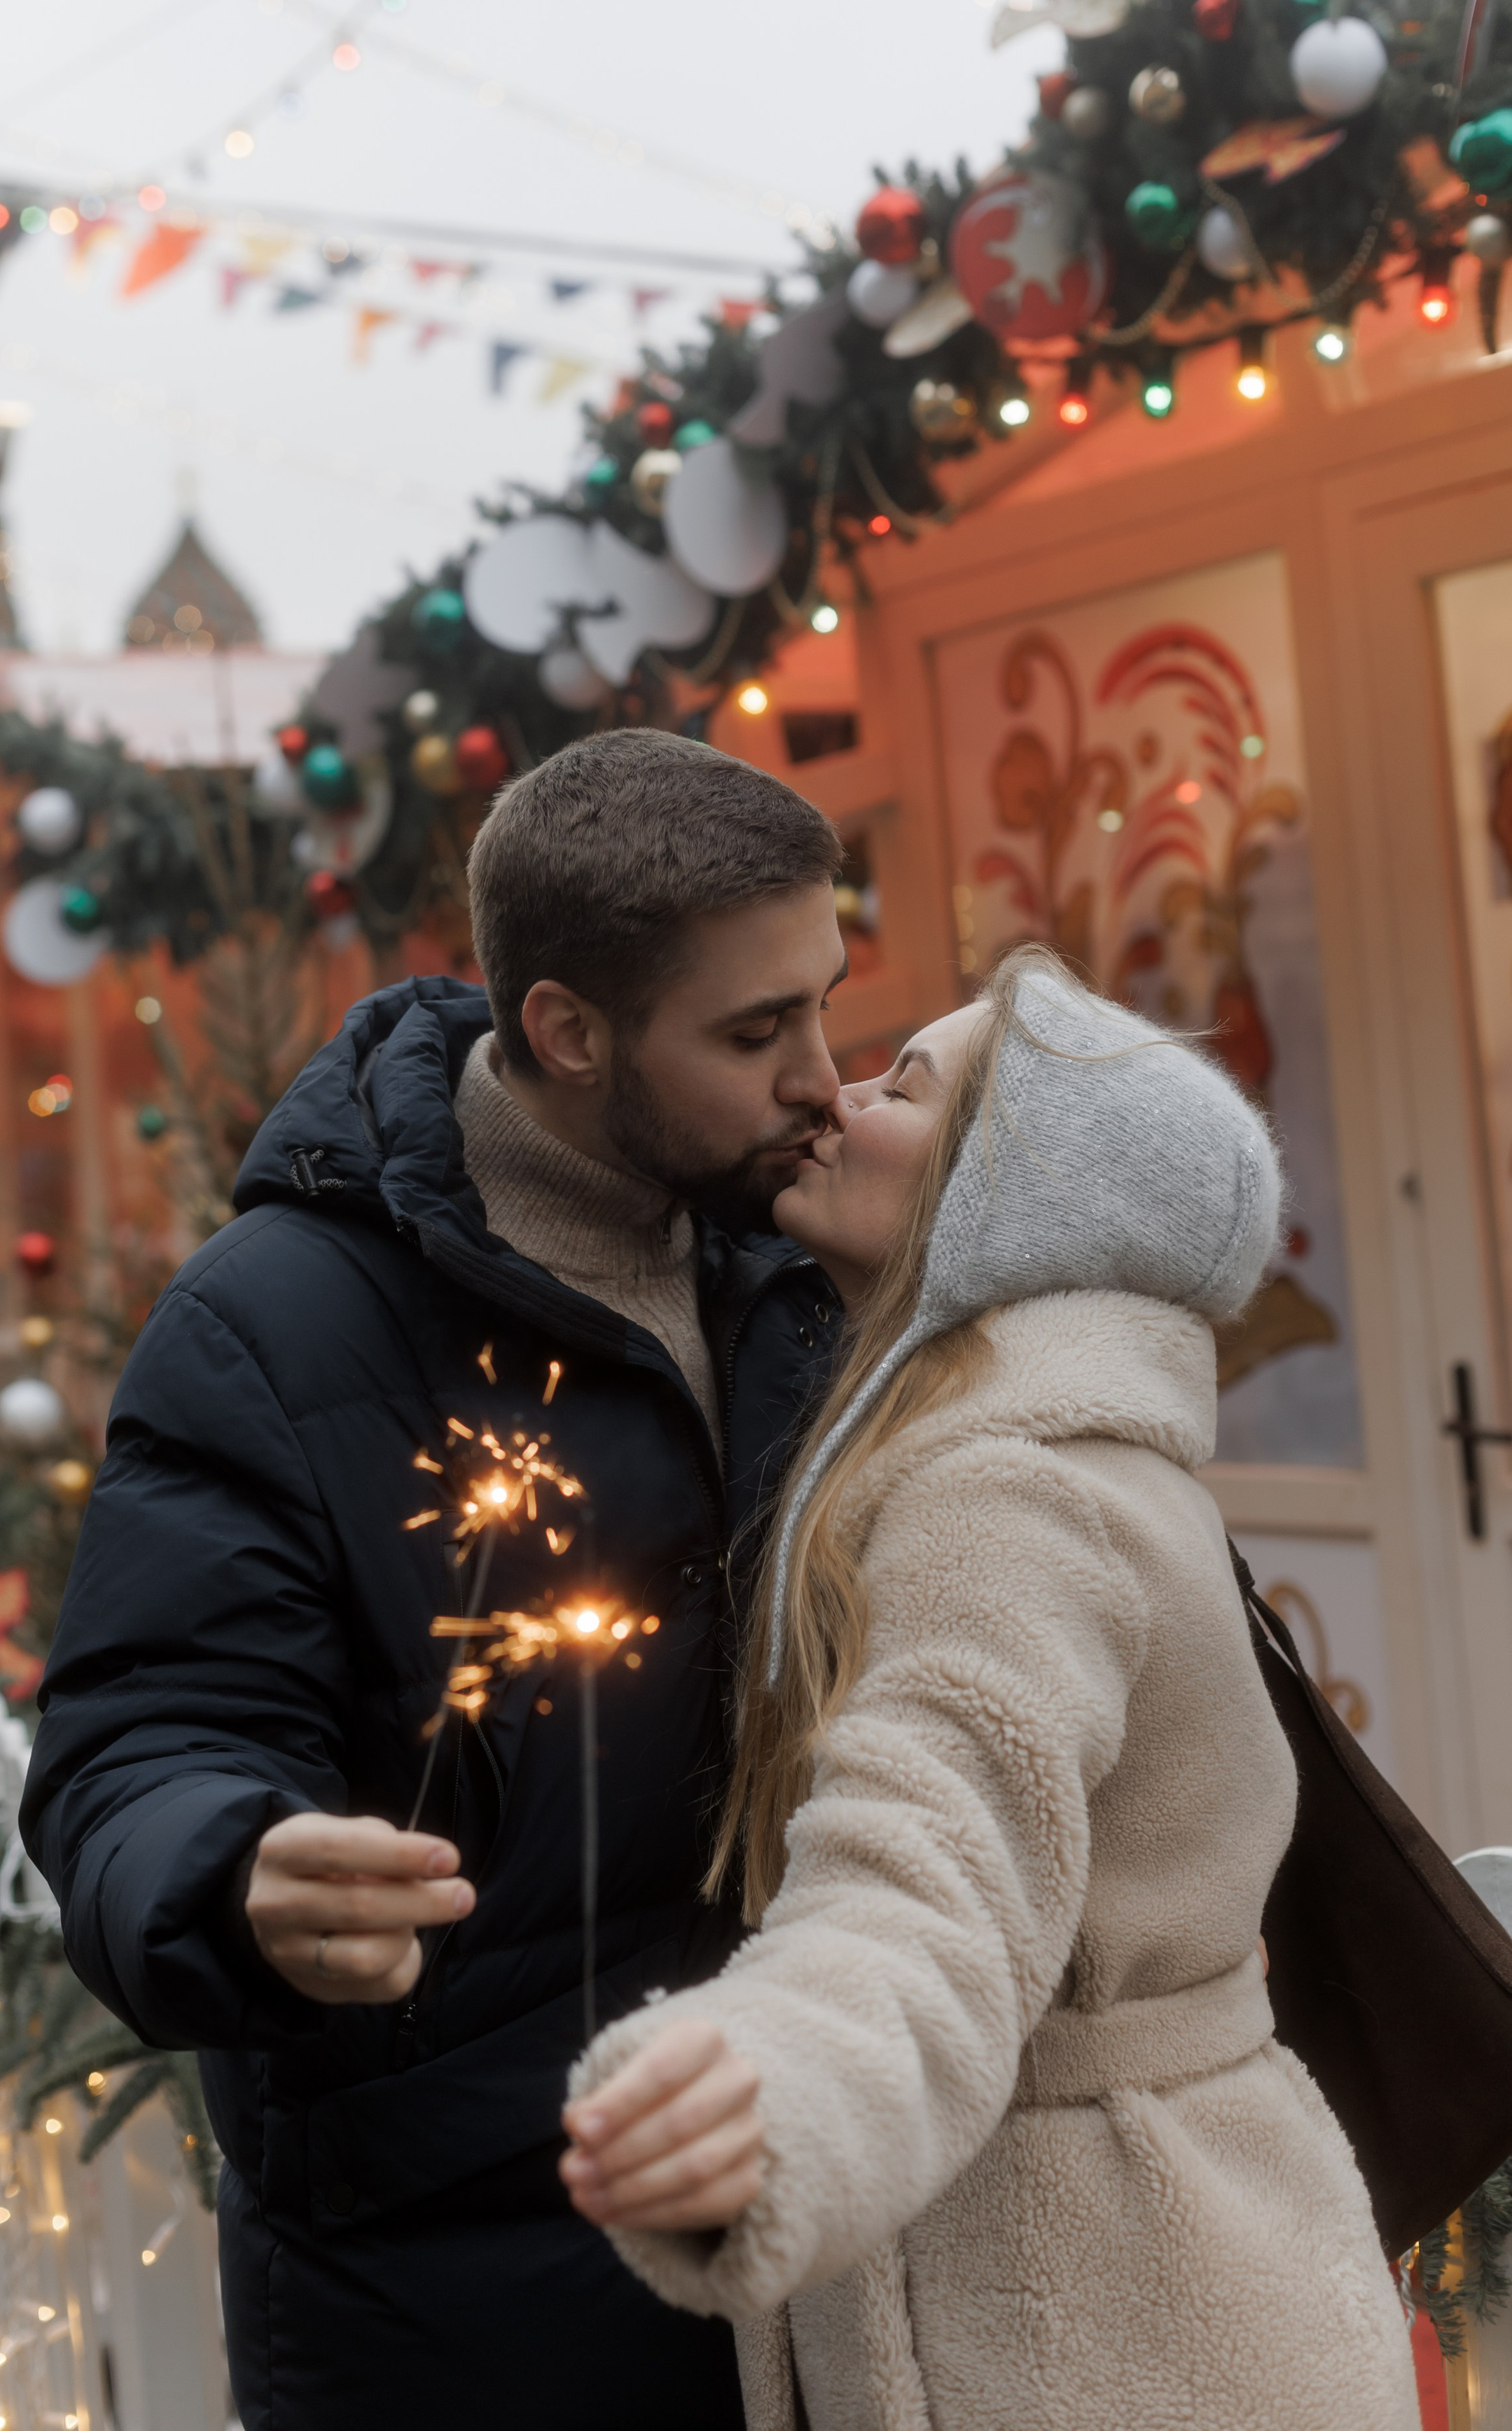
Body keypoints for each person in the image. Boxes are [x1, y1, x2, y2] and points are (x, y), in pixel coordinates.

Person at [20, 729, 853, 2431]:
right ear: (564, 1029)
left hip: (822, 2214)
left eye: (828, 1002)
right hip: (465, 2301)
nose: (823, 1078)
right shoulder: (270, 1326)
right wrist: (230, 1868)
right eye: (757, 1031)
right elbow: (135, 1745)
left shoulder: (811, 1249)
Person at [560, 946, 1419, 2431]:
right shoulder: (1063, 1450)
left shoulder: (1001, 1499)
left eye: (904, 1085)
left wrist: (774, 2091)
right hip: (1183, 2284)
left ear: (1015, 1196)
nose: (830, 1095)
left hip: (1095, 2325)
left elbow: (932, 1886)